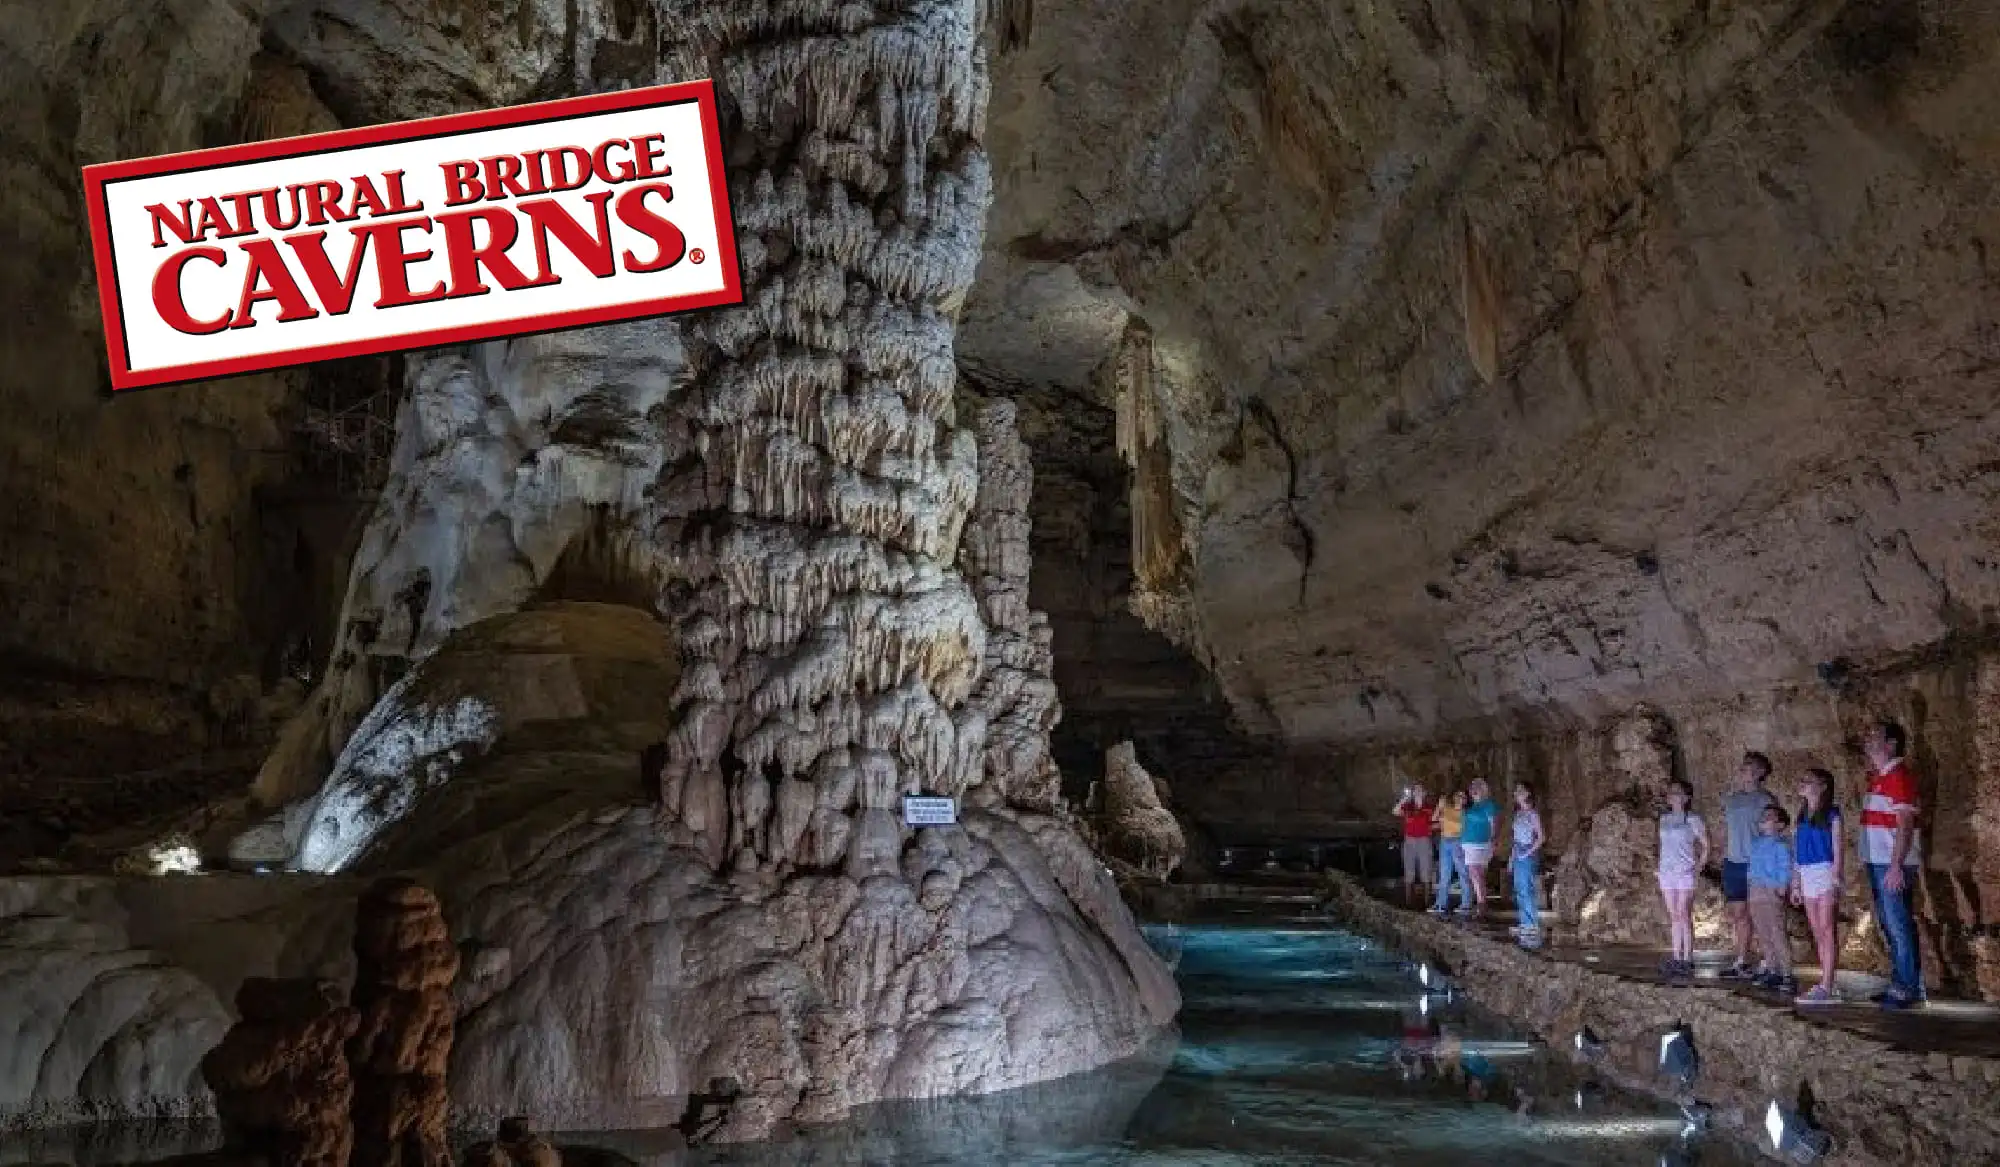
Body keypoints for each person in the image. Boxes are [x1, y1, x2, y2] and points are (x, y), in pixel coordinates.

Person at [1862, 721, 1925, 1009]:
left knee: (1898, 924)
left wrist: (1896, 864)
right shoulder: (1879, 776)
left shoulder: (1898, 775)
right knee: (1889, 922)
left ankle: (1908, 988)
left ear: (1892, 744)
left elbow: (1905, 822)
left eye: (1875, 736)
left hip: (1891, 861)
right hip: (1879, 860)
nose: (1868, 740)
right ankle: (1901, 981)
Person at [1719, 751, 1778, 980]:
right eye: (1744, 766)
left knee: (1761, 914)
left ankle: (1768, 961)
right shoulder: (1731, 800)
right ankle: (1741, 960)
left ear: (1762, 773)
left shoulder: (1766, 800)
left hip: (1756, 864)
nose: (1747, 770)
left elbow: (1773, 834)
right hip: (1734, 862)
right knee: (1739, 914)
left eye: (1753, 766)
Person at [1792, 767, 1845, 1005]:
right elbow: (1797, 851)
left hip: (1824, 870)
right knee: (1817, 931)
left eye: (1808, 781)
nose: (1802, 784)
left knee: (1827, 929)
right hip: (1807, 873)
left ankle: (1827, 984)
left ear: (1822, 786)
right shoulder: (1802, 815)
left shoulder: (1832, 815)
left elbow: (1838, 849)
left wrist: (1835, 878)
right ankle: (1825, 981)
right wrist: (1795, 882)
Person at [1656, 778, 1710, 980]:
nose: (1672, 795)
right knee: (1673, 915)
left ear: (1686, 797)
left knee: (1683, 913)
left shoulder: (1692, 819)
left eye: (1677, 792)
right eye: (1670, 792)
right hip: (1666, 870)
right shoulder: (1664, 819)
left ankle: (1687, 957)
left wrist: (1699, 867)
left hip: (1685, 870)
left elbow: (1705, 844)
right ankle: (1676, 955)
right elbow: (1662, 845)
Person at [1747, 804, 1797, 994]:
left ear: (1780, 825)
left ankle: (1787, 973)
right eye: (1764, 815)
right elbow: (1752, 865)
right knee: (1763, 933)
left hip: (1771, 889)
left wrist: (1783, 884)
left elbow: (1785, 866)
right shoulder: (1756, 843)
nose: (1764, 818)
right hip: (1756, 889)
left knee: (1777, 931)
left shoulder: (1781, 844)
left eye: (1770, 816)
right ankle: (1772, 968)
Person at [1508, 782, 1545, 949]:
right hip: (1518, 850)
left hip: (1527, 851)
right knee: (1519, 888)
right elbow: (1515, 838)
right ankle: (1524, 923)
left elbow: (1541, 837)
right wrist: (1512, 857)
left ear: (1528, 793)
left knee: (1526, 889)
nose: (1517, 792)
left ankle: (1532, 925)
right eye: (1516, 790)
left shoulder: (1532, 814)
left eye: (1520, 790)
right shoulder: (1518, 814)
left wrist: (1527, 853)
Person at [1459, 779, 1501, 915]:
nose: (1474, 789)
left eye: (1477, 787)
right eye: (1472, 787)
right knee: (1477, 874)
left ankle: (1482, 904)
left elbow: (1494, 823)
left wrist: (1494, 840)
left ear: (1484, 789)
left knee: (1476, 873)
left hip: (1481, 844)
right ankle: (1482, 903)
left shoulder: (1488, 805)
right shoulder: (1470, 807)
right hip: (1468, 844)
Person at [1393, 784, 1437, 907]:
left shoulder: (1429, 808)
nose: (1417, 791)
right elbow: (1395, 811)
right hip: (1409, 841)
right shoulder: (1408, 807)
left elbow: (1436, 822)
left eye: (1420, 789)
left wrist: (1429, 828)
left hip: (1424, 840)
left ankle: (1427, 903)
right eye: (1415, 789)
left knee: (1426, 871)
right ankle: (1408, 903)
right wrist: (1404, 798)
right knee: (1409, 871)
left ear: (1424, 793)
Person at [1432, 789, 1469, 915]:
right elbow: (1433, 818)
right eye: (1457, 795)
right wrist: (1439, 805)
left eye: (1462, 796)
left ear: (1465, 800)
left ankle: (1466, 904)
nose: (1459, 797)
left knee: (1462, 873)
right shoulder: (1446, 808)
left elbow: (1464, 829)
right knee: (1444, 874)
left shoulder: (1464, 813)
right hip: (1444, 841)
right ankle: (1440, 904)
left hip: (1457, 842)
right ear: (1453, 797)